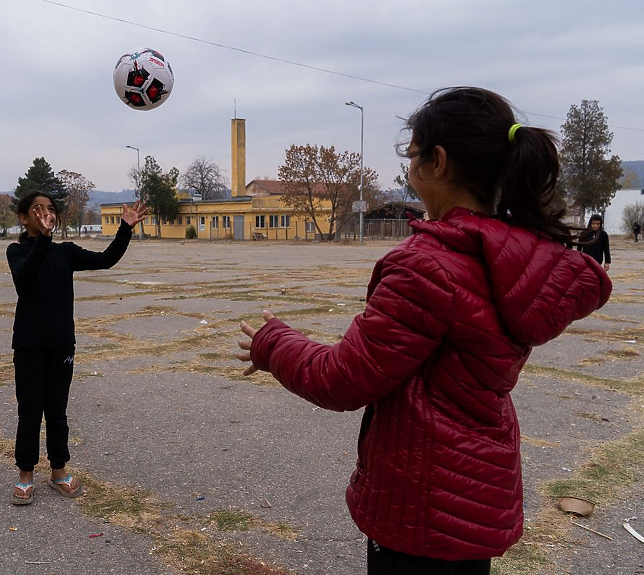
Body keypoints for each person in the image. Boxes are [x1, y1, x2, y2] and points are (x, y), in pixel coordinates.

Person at [237, 87, 612, 574]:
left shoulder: (428, 268)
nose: (409, 168)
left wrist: (273, 343)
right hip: (473, 492)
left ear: (438, 162)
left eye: (411, 155)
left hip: (420, 503)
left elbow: (343, 378)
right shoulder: (510, 258)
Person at [6, 191, 147, 505]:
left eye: (50, 209)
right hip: (29, 345)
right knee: (29, 413)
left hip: (62, 345)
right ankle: (25, 475)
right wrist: (42, 239)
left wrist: (125, 228)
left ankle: (58, 471)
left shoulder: (66, 252)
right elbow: (25, 279)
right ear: (24, 218)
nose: (45, 213)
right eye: (37, 209)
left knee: (57, 411)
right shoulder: (16, 251)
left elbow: (105, 260)